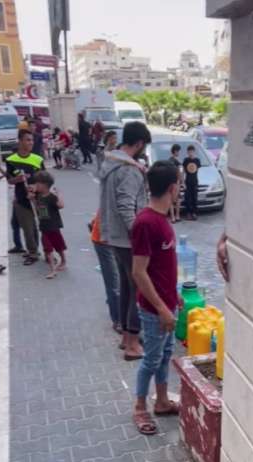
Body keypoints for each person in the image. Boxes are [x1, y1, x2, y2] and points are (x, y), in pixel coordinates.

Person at [131, 161, 181, 435]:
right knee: (150, 359)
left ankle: (161, 401)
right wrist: (162, 309)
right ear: (173, 187)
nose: (180, 188)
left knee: (164, 356)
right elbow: (138, 272)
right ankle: (140, 407)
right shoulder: (146, 223)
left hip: (167, 306)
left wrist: (174, 299)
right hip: (154, 311)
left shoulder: (163, 220)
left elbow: (163, 267)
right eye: (180, 184)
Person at [98, 120, 152, 361]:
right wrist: (138, 234)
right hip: (128, 239)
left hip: (113, 235)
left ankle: (125, 336)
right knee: (138, 288)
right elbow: (126, 206)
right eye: (144, 146)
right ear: (139, 143)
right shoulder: (129, 170)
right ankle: (132, 344)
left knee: (128, 287)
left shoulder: (110, 163)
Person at [5, 130, 44, 264]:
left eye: (32, 140)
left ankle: (45, 250)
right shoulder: (11, 160)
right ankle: (33, 253)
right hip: (21, 199)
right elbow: (9, 180)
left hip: (39, 200)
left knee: (44, 225)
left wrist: (35, 189)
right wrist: (19, 179)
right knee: (28, 227)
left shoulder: (38, 159)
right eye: (28, 140)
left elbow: (46, 179)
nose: (31, 143)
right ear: (20, 141)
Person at [31, 170, 66, 279]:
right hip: (44, 227)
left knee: (59, 247)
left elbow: (61, 205)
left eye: (38, 183)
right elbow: (38, 209)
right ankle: (52, 270)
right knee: (48, 249)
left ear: (45, 185)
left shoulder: (51, 197)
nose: (35, 185)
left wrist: (59, 194)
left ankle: (63, 261)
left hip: (53, 227)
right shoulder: (39, 196)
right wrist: (32, 200)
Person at [91, 210, 121, 333]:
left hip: (117, 239)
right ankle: (118, 320)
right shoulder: (118, 194)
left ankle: (114, 304)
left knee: (119, 278)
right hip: (104, 240)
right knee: (114, 283)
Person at [183, 144, 200, 220]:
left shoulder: (197, 160)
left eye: (192, 151)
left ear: (194, 152)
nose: (190, 153)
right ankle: (188, 213)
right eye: (189, 152)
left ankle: (194, 213)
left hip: (195, 181)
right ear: (187, 152)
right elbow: (183, 171)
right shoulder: (186, 160)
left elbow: (198, 170)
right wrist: (182, 182)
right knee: (187, 198)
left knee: (194, 197)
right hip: (187, 181)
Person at [168, 143, 182, 223]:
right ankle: (176, 216)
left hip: (171, 182)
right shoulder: (176, 162)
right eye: (178, 151)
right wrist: (180, 182)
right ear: (175, 151)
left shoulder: (169, 160)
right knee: (177, 199)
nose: (179, 153)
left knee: (172, 200)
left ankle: (173, 217)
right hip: (175, 182)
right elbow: (179, 173)